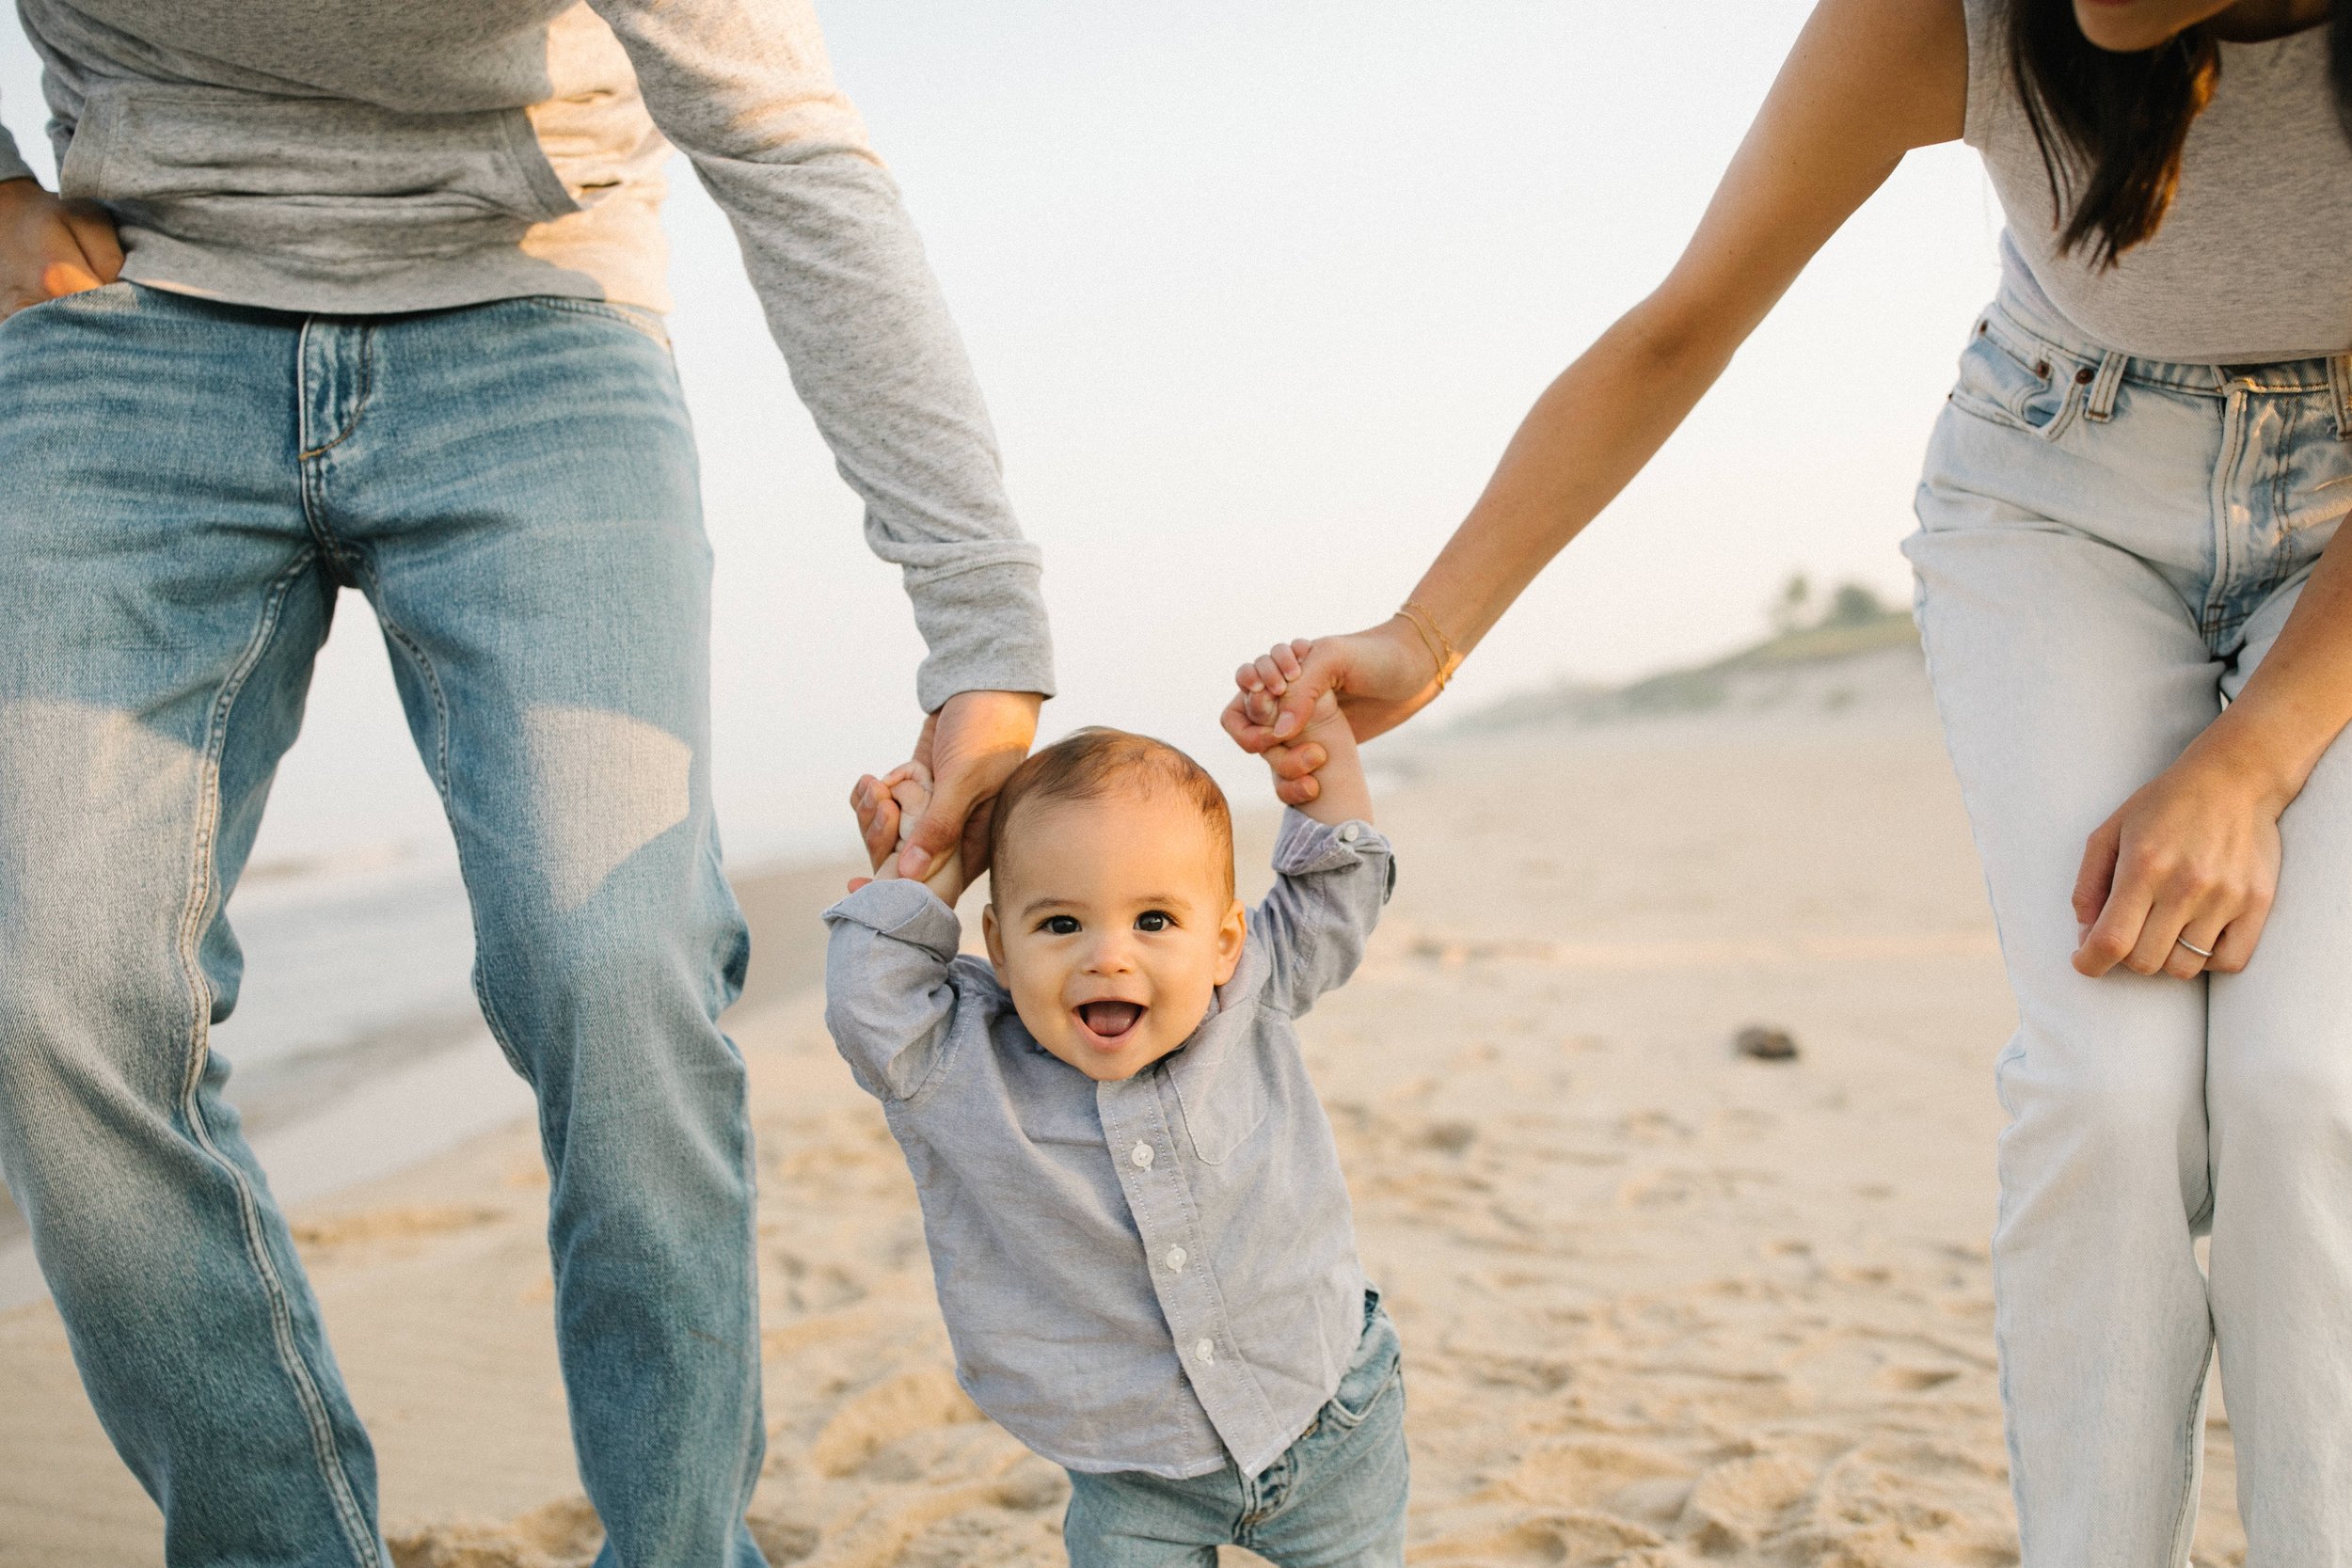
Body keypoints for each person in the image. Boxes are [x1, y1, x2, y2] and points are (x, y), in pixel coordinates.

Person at [1220, 0, 2352, 1560]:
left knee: (2309, 1088)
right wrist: (1429, 634)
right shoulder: (1941, 17)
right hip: (2060, 486)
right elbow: (1686, 320)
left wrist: (2251, 756)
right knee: (2108, 1086)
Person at [0, 4, 1050, 1565]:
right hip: (129, 312)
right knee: (54, 988)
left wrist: (984, 637)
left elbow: (789, 144)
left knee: (615, 966)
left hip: (537, 319)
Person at [822, 711, 1407, 1568]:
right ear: (1000, 946)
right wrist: (926, 877)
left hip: (1331, 1412)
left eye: (1155, 921)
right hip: (1134, 1477)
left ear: (1223, 943)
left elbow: (1336, 894)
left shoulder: (1250, 996)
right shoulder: (962, 1067)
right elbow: (869, 1006)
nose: (1108, 957)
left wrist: (1323, 748)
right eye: (1060, 924)